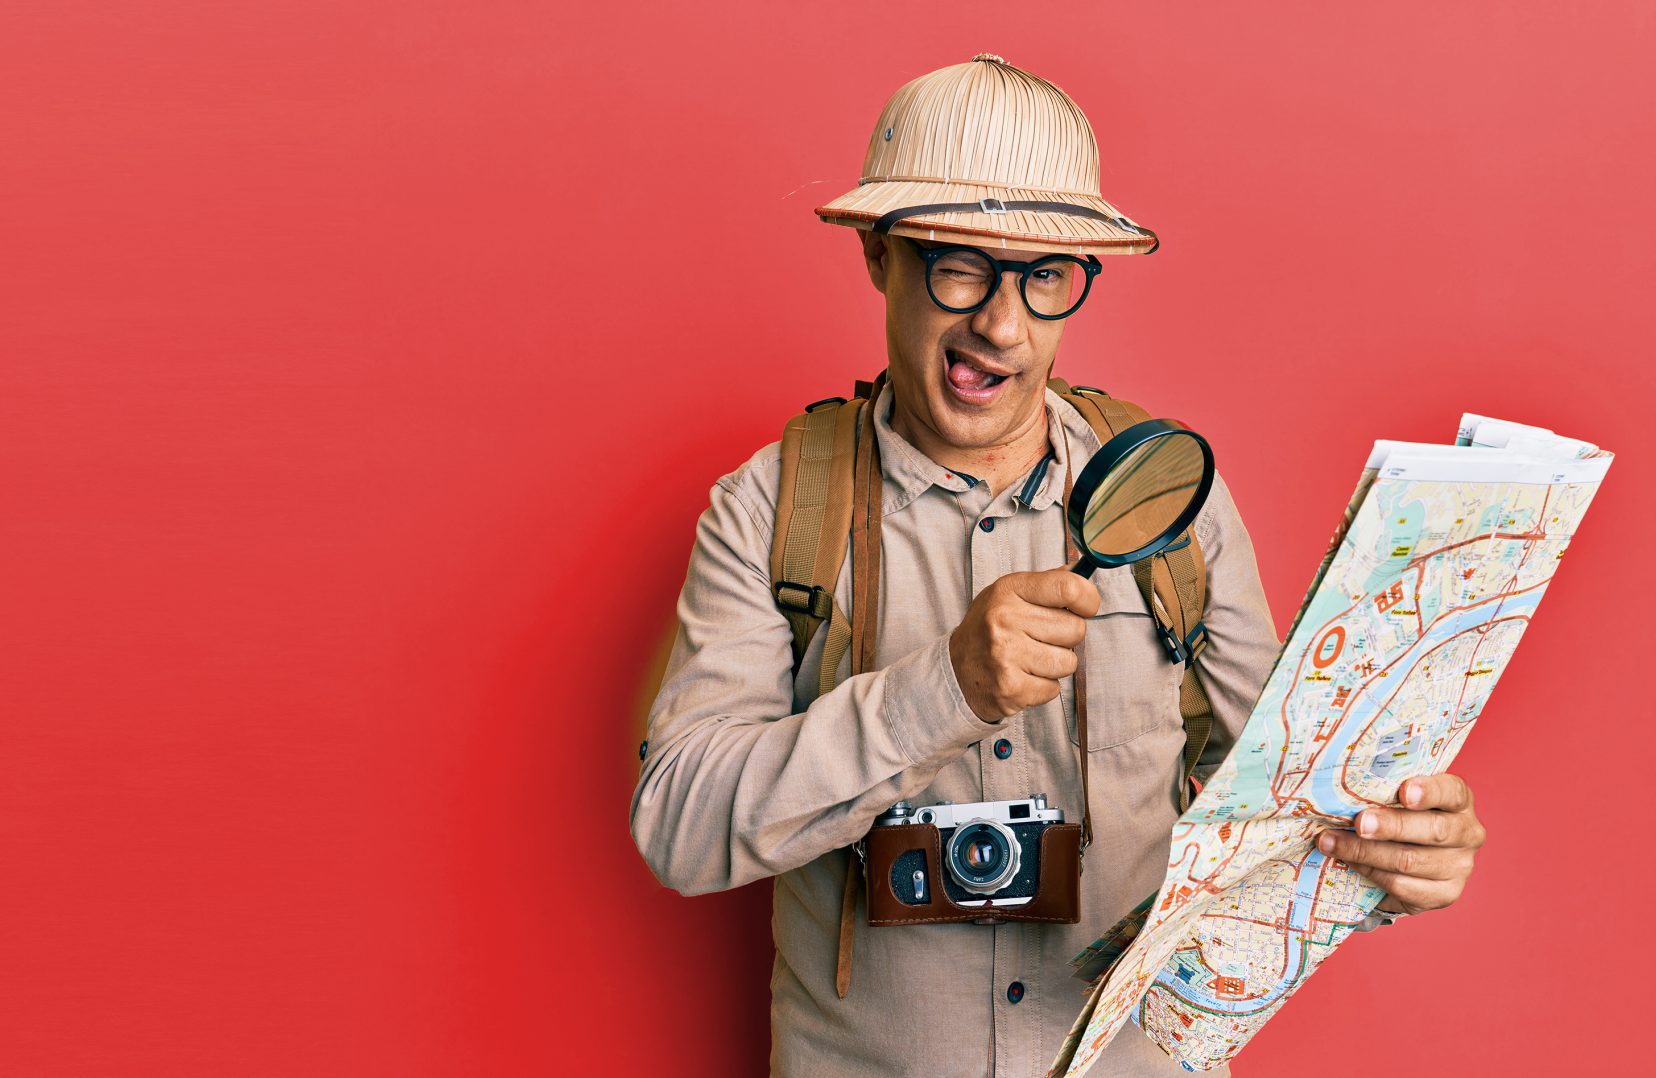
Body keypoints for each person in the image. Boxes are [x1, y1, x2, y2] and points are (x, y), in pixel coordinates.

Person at [628, 54, 1489, 1076]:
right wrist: (940, 690)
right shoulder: (768, 509)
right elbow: (677, 828)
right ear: (878, 255)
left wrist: (1395, 853)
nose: (1001, 324)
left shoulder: (1175, 505)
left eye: (1045, 277)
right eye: (960, 267)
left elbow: (1280, 812)